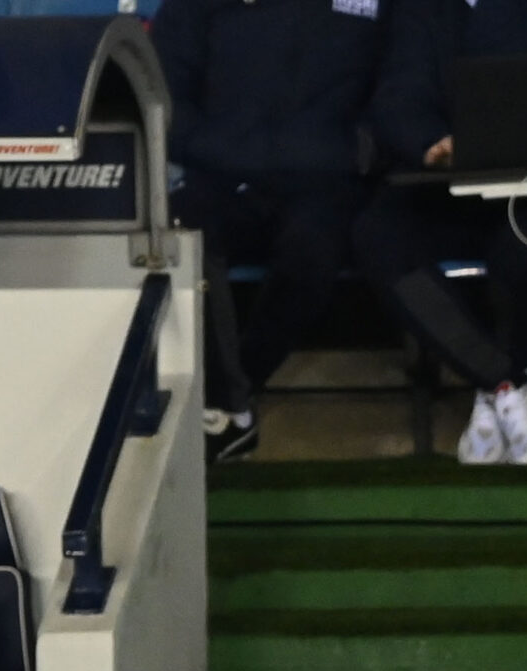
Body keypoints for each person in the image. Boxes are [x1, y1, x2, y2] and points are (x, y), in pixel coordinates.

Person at [353, 0, 527, 464]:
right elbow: (398, 96)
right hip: (449, 185)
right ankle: (508, 384)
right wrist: (430, 142)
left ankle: (502, 397)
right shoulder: (423, 11)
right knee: (379, 235)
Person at [153, 0, 390, 461]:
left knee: (311, 251)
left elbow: (401, 85)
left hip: (326, 182)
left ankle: (228, 403)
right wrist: (233, 153)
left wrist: (357, 153)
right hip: (222, 175)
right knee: (182, 231)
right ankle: (227, 407)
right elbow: (165, 100)